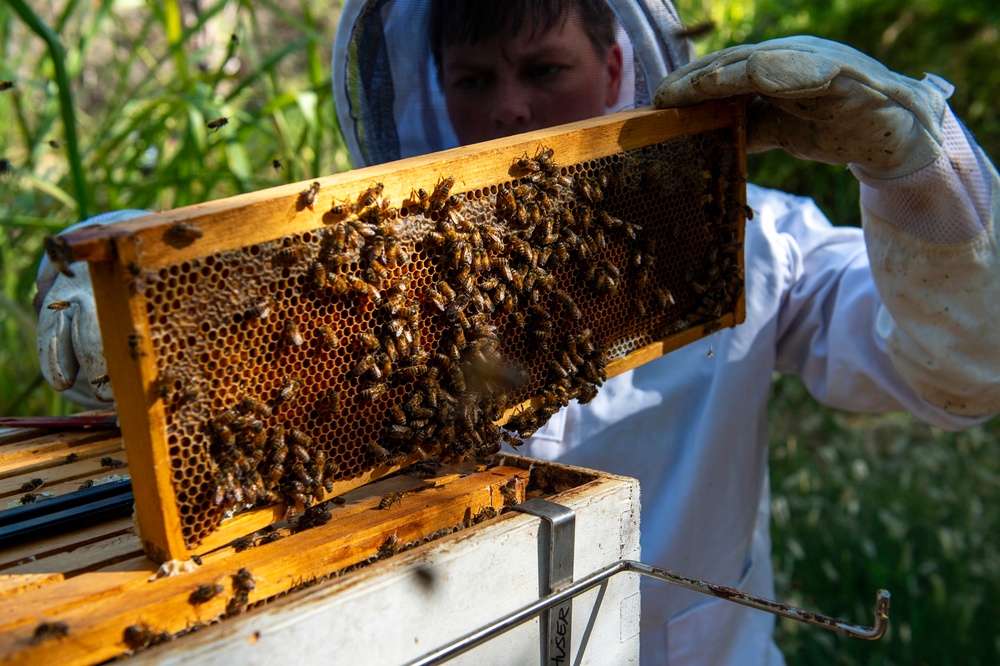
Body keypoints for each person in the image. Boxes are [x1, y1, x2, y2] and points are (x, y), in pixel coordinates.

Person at [36, 0, 1000, 663]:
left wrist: (921, 171)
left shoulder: (755, 239)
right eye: (475, 76)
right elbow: (250, 390)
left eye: (546, 69)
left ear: (618, 62)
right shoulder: (372, 276)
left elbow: (961, 370)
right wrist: (147, 353)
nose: (508, 107)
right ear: (431, 83)